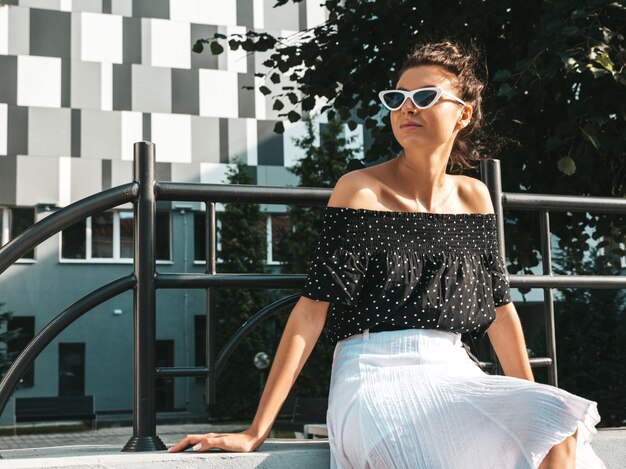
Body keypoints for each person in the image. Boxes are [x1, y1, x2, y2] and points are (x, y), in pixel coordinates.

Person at [169, 40, 606, 468]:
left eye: (424, 96)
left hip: (455, 373)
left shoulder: (475, 197)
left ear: (463, 114)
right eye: (397, 98)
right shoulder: (360, 190)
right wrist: (255, 430)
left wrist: (528, 402)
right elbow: (310, 313)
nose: (406, 107)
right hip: (373, 375)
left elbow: (501, 310)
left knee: (556, 426)